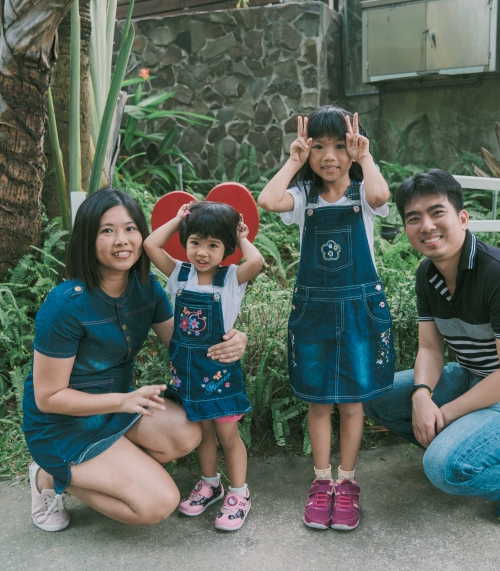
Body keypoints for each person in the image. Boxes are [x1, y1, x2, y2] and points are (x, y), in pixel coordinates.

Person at [23, 189, 248, 531]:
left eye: (130, 229)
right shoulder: (65, 305)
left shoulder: (145, 289)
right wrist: (125, 400)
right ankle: (46, 478)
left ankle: (114, 467)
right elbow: (48, 398)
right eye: (107, 230)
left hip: (115, 413)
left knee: (188, 433)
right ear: (87, 237)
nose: (121, 240)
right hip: (63, 425)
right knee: (158, 505)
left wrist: (232, 341)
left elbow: (186, 342)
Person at [363, 169, 500, 525]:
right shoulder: (427, 275)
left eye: (436, 212)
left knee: (444, 468)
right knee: (375, 397)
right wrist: (421, 396)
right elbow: (430, 349)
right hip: (476, 377)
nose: (426, 225)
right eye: (414, 218)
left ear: (462, 218)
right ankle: (465, 446)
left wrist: (444, 414)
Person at [258, 106, 395, 531]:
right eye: (319, 146)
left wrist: (366, 158)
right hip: (315, 311)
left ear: (355, 149)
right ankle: (321, 482)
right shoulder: (303, 200)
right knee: (319, 403)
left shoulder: (362, 196)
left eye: (340, 145)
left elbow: (381, 196)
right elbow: (267, 200)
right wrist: (293, 159)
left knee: (352, 403)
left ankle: (347, 482)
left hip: (358, 310)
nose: (329, 155)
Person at [143, 200, 264, 531]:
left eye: (213, 245)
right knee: (204, 434)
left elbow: (257, 260)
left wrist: (240, 236)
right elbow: (150, 244)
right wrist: (178, 219)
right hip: (186, 373)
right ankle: (210, 484)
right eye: (195, 241)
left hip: (218, 374)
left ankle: (239, 493)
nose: (202, 252)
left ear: (225, 248)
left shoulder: (231, 279)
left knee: (227, 434)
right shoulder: (179, 273)